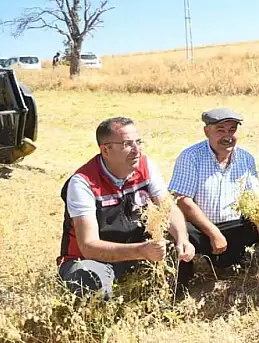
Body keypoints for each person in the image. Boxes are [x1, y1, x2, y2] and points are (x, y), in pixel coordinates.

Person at [57, 117, 195, 299]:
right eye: (127, 144)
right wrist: (140, 251)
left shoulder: (146, 166)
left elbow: (167, 207)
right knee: (88, 282)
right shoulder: (83, 183)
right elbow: (88, 246)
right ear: (106, 149)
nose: (137, 150)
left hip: (137, 249)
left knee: (184, 235)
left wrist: (182, 239)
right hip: (92, 259)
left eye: (138, 142)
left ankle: (162, 299)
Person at [169, 108, 259, 286]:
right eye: (220, 130)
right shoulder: (191, 156)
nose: (228, 136)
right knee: (178, 230)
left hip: (235, 226)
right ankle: (183, 284)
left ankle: (240, 261)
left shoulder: (245, 158)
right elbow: (182, 199)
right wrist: (213, 232)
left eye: (232, 130)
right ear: (207, 131)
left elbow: (256, 197)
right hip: (201, 229)